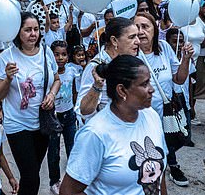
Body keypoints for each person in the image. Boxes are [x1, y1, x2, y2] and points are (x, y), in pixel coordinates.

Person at [60, 55, 167, 195]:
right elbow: (68, 191)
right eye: (144, 84)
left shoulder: (152, 116)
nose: (151, 89)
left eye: (150, 82)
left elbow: (160, 175)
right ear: (122, 90)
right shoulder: (95, 133)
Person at [0, 12, 61, 195]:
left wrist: (51, 95)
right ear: (17, 32)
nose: (33, 34)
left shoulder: (46, 52)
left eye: (36, 29)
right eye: (28, 30)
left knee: (32, 173)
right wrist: (7, 78)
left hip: (42, 123)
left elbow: (57, 79)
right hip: (17, 124)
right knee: (31, 176)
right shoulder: (7, 57)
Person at [136, 13, 194, 186]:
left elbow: (179, 79)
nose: (140, 32)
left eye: (145, 27)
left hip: (165, 109)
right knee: (145, 148)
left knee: (167, 140)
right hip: (141, 113)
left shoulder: (164, 48)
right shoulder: (131, 53)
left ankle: (173, 166)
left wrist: (186, 58)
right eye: (136, 27)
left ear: (155, 30)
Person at [76, 17, 140, 121]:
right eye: (132, 37)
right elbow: (83, 111)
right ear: (114, 40)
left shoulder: (130, 62)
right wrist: (97, 86)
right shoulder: (95, 68)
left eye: (137, 36)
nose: (138, 41)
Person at [47, 41, 78, 194]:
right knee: (54, 152)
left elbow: (74, 91)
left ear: (68, 56)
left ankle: (72, 180)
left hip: (70, 115)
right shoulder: (50, 73)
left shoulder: (72, 71)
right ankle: (54, 181)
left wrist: (75, 108)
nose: (60, 58)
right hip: (54, 117)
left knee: (72, 149)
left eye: (63, 54)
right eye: (56, 54)